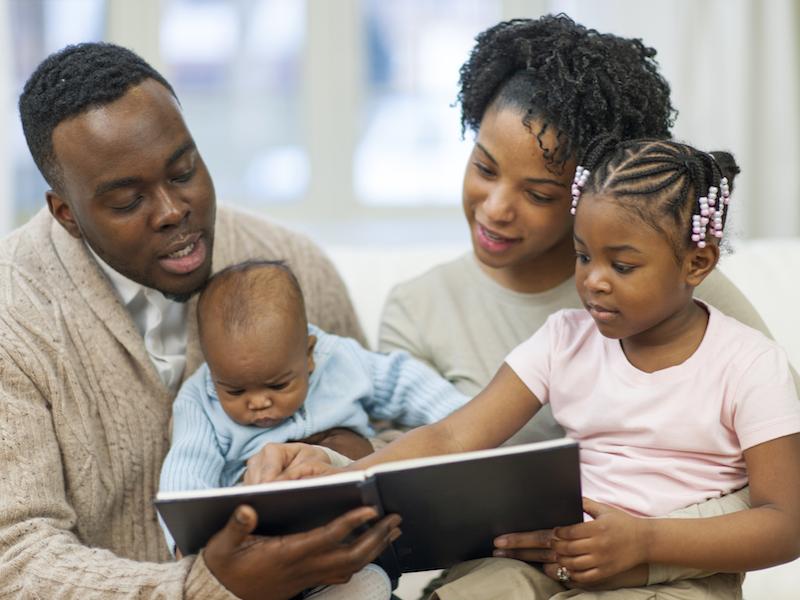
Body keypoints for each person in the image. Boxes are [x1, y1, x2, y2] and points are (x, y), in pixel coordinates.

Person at [265, 138, 800, 599]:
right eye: (583, 255)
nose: (592, 280)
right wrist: (344, 479)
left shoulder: (750, 365)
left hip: (676, 572)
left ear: (697, 262)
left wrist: (646, 540)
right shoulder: (565, 339)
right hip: (548, 555)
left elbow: (787, 523)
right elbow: (454, 436)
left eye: (623, 264)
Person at [0, 42, 400, 599]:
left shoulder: (292, 262)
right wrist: (202, 588)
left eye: (183, 171)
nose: (171, 210)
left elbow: (390, 432)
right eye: (125, 201)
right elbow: (15, 556)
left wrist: (346, 454)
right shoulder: (11, 317)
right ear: (66, 213)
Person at [378, 15, 799, 449]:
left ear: (589, 193)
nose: (496, 208)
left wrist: (673, 519)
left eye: (539, 195)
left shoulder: (672, 286)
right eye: (485, 168)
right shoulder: (416, 309)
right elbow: (408, 458)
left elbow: (783, 451)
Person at [158, 259, 469, 596]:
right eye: (235, 391)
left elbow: (403, 381)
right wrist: (187, 546)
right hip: (269, 542)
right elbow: (186, 471)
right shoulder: (199, 399)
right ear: (211, 365)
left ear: (308, 355)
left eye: (277, 385)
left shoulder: (340, 360)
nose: (258, 402)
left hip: (352, 522)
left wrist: (461, 416)